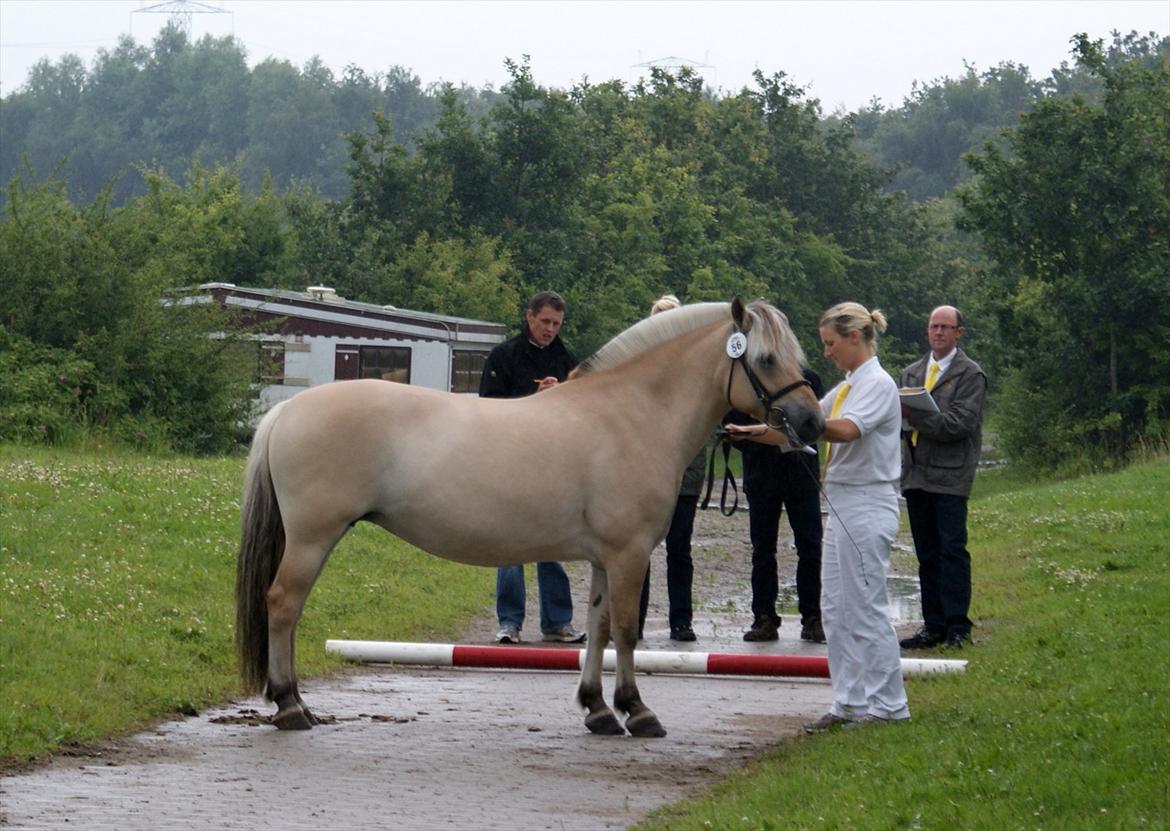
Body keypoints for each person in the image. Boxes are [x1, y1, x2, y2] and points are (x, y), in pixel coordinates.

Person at [730, 302, 910, 731]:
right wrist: (754, 431)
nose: (825, 352)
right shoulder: (848, 385)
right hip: (844, 502)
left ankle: (889, 706)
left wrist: (806, 420)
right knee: (835, 609)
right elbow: (803, 428)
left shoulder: (878, 384)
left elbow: (844, 429)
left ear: (854, 338)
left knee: (866, 608)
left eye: (830, 343)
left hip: (868, 501)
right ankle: (848, 703)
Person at [479, 290, 585, 645]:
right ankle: (509, 621)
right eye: (544, 322)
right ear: (529, 317)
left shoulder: (568, 360)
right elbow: (487, 408)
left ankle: (558, 621)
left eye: (556, 324)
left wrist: (563, 394)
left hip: (553, 465)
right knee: (510, 545)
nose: (549, 330)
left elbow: (580, 415)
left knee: (552, 545)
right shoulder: (502, 355)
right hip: (508, 459)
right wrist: (533, 399)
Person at [897, 305, 988, 650]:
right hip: (916, 473)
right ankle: (932, 625)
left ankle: (957, 626)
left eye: (946, 327)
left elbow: (958, 424)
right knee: (926, 553)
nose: (938, 332)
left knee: (952, 550)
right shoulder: (910, 373)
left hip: (951, 475)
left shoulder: (970, 375)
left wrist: (914, 416)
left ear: (959, 332)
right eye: (934, 326)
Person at [723, 366, 827, 644]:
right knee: (762, 550)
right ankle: (764, 617)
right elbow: (733, 425)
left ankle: (813, 616)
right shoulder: (747, 382)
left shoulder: (808, 377)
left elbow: (815, 422)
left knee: (810, 546)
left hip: (801, 473)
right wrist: (763, 441)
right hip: (761, 474)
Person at [637, 294, 704, 643]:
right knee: (638, 548)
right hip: (642, 473)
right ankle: (633, 620)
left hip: (684, 472)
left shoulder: (696, 372)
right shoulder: (638, 369)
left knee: (680, 547)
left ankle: (681, 621)